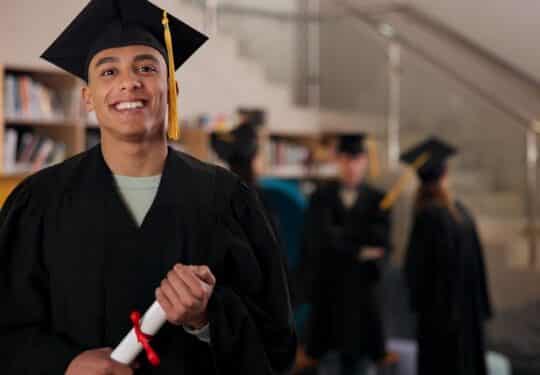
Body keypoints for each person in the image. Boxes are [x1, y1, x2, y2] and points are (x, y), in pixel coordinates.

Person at [0, 0, 296, 374]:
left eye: (146, 67)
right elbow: (6, 330)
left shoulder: (226, 199)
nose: (129, 82)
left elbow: (276, 339)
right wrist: (67, 365)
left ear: (171, 87)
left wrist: (206, 318)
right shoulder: (39, 202)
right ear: (87, 97)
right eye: (108, 71)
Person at [297, 134, 396, 375]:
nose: (351, 165)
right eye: (346, 159)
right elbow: (317, 242)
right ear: (338, 161)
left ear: (364, 161)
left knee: (362, 365)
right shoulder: (320, 197)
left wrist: (339, 240)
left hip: (364, 299)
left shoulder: (379, 200)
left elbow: (382, 245)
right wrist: (360, 247)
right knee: (326, 363)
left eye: (357, 159)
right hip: (328, 297)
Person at [403, 137, 493, 375]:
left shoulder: (427, 216)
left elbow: (414, 273)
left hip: (439, 321)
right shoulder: (461, 212)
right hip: (468, 318)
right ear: (445, 174)